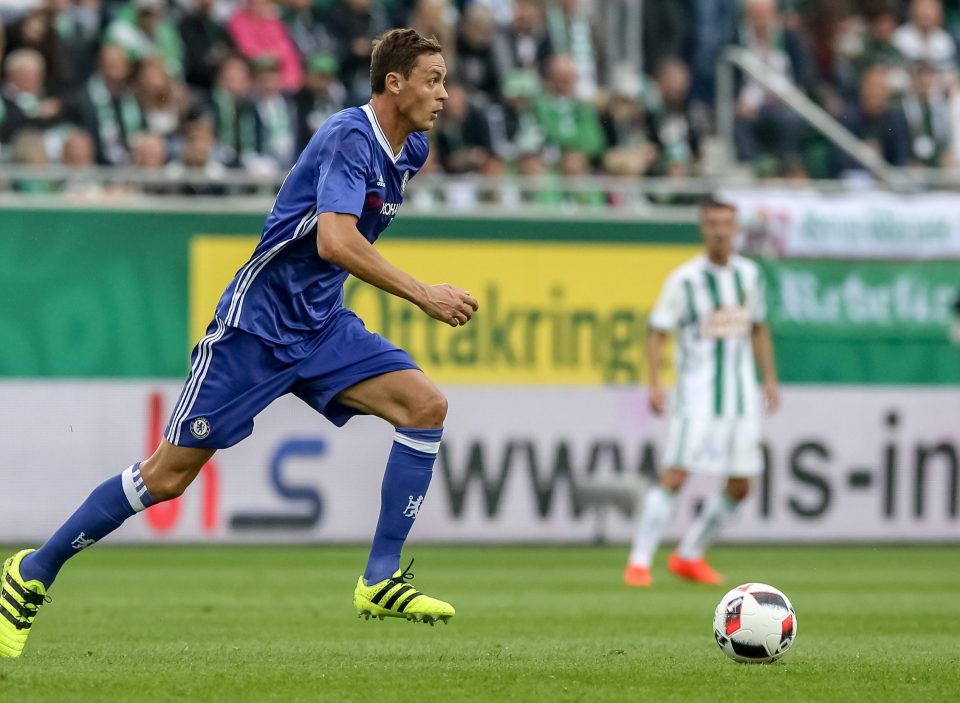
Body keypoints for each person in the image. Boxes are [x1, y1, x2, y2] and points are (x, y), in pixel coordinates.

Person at [0, 28, 476, 659]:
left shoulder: (409, 149)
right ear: (395, 83)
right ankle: (30, 574)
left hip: (321, 325)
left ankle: (380, 577)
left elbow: (336, 250)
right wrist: (423, 294)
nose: (445, 93)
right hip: (254, 330)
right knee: (166, 478)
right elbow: (334, 241)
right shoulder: (349, 136)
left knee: (426, 407)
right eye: (434, 79)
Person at [624, 198, 779, 588]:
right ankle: (639, 561)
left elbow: (758, 327)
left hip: (742, 396)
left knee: (741, 484)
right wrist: (656, 383)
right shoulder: (685, 279)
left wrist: (770, 379)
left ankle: (690, 554)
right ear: (702, 227)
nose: (719, 230)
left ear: (736, 227)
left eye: (726, 223)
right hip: (697, 396)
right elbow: (658, 332)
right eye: (711, 223)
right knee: (676, 474)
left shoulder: (750, 275)